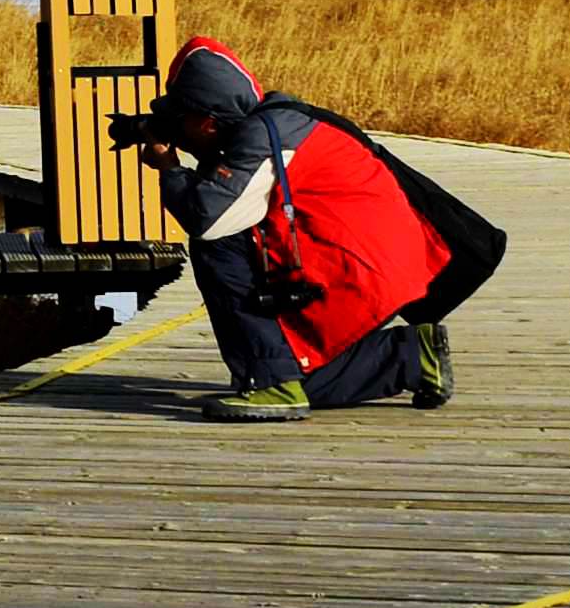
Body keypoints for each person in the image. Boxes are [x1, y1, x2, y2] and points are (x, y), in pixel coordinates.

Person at [130, 39, 500, 421]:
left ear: (209, 121)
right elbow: (234, 189)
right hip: (381, 261)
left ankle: (272, 383)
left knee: (217, 245)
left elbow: (208, 218)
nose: (177, 128)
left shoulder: (263, 142)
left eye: (181, 119)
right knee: (307, 380)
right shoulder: (275, 122)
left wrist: (171, 169)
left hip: (360, 271)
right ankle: (411, 354)